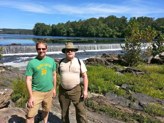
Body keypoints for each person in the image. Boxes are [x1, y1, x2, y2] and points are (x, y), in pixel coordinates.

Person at [25, 41, 57, 123]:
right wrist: (31, 96)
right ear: (36, 49)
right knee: (30, 115)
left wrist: (54, 89)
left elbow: (54, 75)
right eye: (39, 49)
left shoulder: (51, 61)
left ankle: (45, 122)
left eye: (43, 48)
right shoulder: (32, 63)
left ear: (46, 49)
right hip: (36, 92)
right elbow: (28, 80)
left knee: (46, 110)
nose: (41, 50)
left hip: (49, 91)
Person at [58, 42, 88, 123]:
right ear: (65, 52)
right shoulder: (61, 62)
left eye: (72, 50)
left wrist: (85, 91)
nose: (70, 51)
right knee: (64, 112)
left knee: (81, 111)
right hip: (63, 91)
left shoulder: (79, 61)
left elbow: (85, 76)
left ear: (75, 52)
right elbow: (59, 74)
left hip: (76, 90)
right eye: (68, 50)